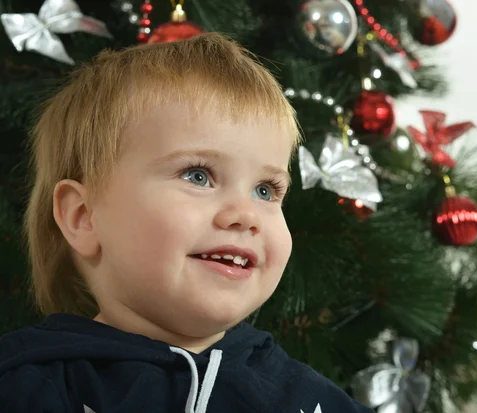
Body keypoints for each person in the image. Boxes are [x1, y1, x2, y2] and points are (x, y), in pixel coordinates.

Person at [0, 33, 373, 413]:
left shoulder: (312, 401)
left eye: (265, 190)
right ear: (84, 217)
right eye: (197, 175)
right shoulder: (25, 385)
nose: (245, 216)